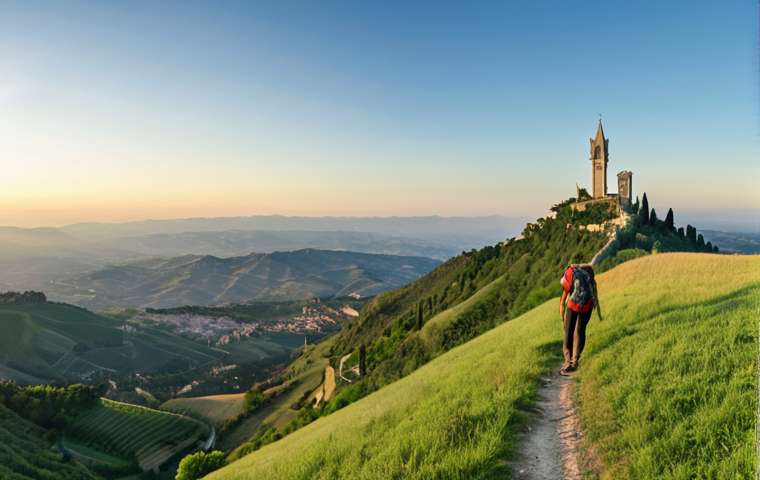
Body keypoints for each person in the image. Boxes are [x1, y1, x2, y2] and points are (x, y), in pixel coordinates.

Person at [558, 263, 597, 374]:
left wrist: (562, 314)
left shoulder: (569, 276)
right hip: (588, 305)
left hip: (573, 305)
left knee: (568, 331)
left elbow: (563, 301)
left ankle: (567, 362)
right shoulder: (588, 275)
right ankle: (575, 361)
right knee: (580, 331)